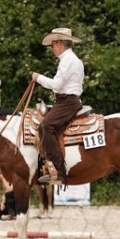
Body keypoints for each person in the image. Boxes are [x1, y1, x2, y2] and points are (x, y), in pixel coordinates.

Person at [31, 28, 84, 185]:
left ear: (60, 44)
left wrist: (38, 77)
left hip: (67, 102)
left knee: (45, 127)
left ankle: (59, 173)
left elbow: (56, 85)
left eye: (52, 45)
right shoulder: (73, 60)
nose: (52, 48)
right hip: (67, 101)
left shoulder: (67, 60)